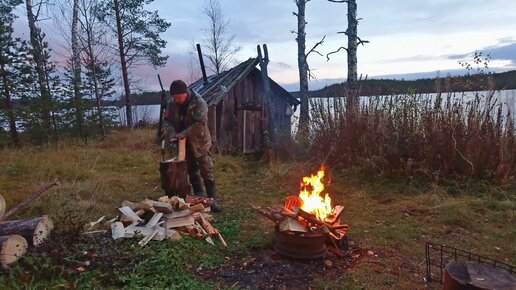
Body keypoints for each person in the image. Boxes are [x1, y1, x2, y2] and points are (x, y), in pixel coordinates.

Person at [164, 80, 221, 212]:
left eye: (178, 97)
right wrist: (173, 133)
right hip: (184, 144)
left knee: (207, 171)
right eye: (174, 97)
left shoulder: (199, 103)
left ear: (186, 93)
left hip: (200, 142)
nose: (176, 100)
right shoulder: (171, 104)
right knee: (191, 170)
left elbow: (200, 124)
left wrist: (182, 134)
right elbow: (167, 121)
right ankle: (199, 197)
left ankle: (212, 201)